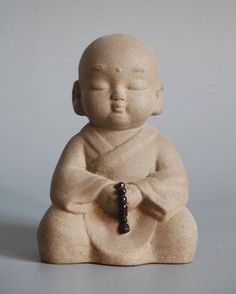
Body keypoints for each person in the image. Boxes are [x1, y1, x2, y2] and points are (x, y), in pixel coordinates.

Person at [38, 34, 198, 265]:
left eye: (134, 87)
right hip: (92, 214)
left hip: (147, 214)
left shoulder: (158, 143)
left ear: (157, 97)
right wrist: (100, 190)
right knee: (57, 224)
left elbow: (176, 181)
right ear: (78, 97)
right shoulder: (82, 142)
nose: (118, 95)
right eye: (99, 87)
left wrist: (141, 191)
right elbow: (64, 181)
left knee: (182, 225)